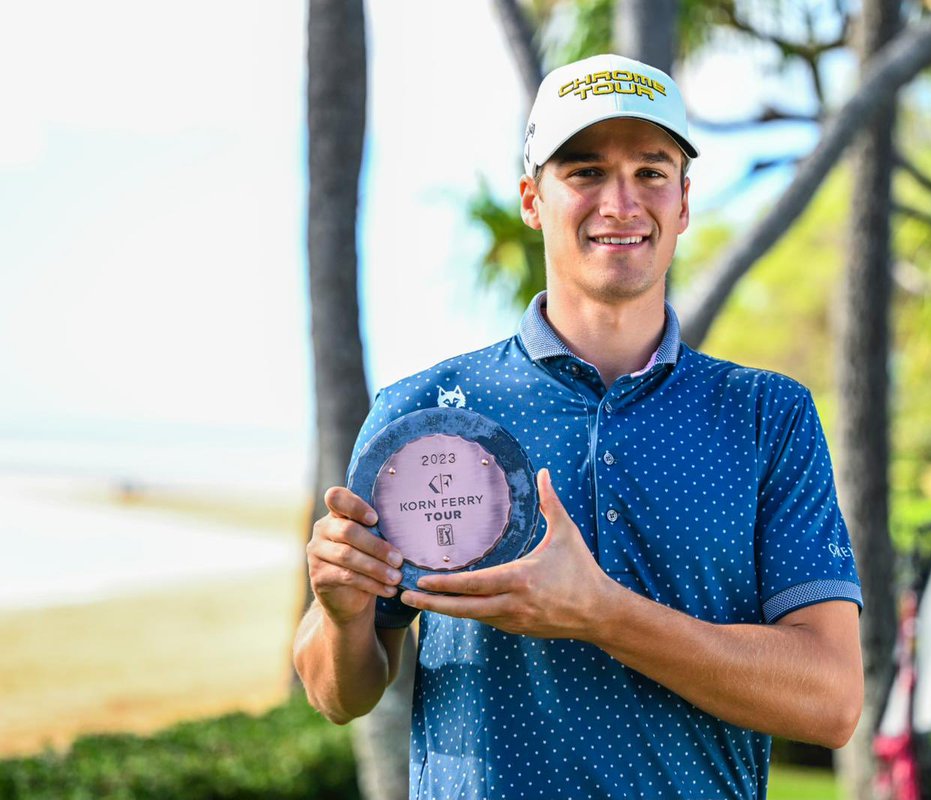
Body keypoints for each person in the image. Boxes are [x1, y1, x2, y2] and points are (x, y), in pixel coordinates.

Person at [294, 53, 864, 799]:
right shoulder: (424, 413)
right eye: (586, 171)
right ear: (532, 198)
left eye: (651, 172)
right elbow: (341, 694)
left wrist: (604, 616)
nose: (621, 202)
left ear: (684, 202)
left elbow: (831, 699)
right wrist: (341, 617)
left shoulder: (768, 417)